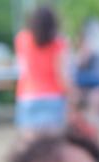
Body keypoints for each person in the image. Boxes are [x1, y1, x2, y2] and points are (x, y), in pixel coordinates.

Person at [13, 5, 70, 135]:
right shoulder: (59, 43)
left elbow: (22, 68)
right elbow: (61, 74)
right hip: (53, 95)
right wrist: (72, 95)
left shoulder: (22, 39)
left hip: (27, 94)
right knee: (52, 145)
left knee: (29, 146)